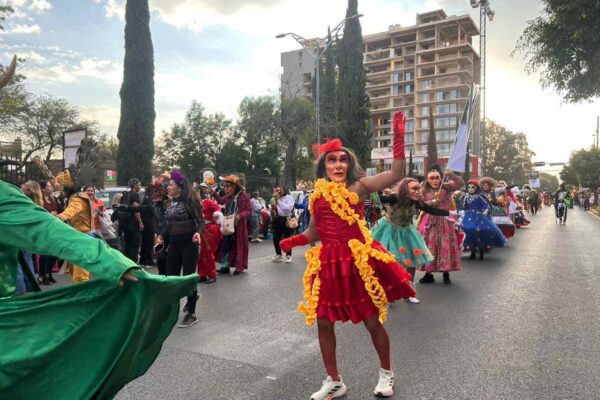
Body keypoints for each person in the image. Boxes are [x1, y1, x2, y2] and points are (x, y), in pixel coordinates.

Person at [0, 176, 198, 399]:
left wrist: (111, 262)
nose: (93, 193)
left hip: (86, 246)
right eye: (91, 190)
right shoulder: (75, 200)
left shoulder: (5, 197)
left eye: (94, 191)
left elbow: (47, 229)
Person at [279, 111, 416, 399]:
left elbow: (395, 174)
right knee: (323, 321)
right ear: (324, 166)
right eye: (332, 160)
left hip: (357, 263)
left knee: (371, 320)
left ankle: (386, 373)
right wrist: (292, 240)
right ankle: (334, 380)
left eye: (343, 160)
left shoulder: (360, 186)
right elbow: (315, 232)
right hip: (329, 264)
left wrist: (399, 138)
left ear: (350, 164)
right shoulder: (317, 195)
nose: (338, 164)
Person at [373, 177, 453, 304]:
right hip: (389, 232)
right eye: (414, 189)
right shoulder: (395, 198)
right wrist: (372, 188)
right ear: (405, 190)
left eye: (418, 189)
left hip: (407, 232)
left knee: (411, 262)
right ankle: (388, 291)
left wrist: (450, 214)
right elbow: (378, 199)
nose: (417, 192)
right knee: (389, 263)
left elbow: (431, 210)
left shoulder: (416, 202)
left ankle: (409, 292)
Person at [156, 170, 204, 328]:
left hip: (189, 243)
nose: (168, 188)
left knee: (188, 278)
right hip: (174, 245)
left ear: (179, 186)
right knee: (172, 279)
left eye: (171, 185)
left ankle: (191, 313)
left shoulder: (190, 201)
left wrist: (198, 233)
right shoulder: (169, 203)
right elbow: (169, 225)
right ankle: (170, 311)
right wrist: (161, 236)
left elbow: (201, 222)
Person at [417, 165, 464, 284]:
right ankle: (429, 274)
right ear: (427, 180)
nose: (434, 180)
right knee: (430, 247)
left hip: (445, 221)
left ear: (440, 178)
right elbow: (419, 204)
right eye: (431, 178)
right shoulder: (423, 190)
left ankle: (446, 273)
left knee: (445, 246)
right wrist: (431, 202)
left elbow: (461, 183)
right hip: (430, 222)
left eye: (437, 178)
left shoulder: (446, 187)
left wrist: (451, 174)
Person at [213, 175, 251, 275]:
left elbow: (248, 210)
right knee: (225, 245)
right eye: (225, 187)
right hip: (228, 224)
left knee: (238, 246)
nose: (226, 189)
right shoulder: (227, 197)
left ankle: (239, 267)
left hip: (239, 226)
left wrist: (240, 215)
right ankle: (225, 266)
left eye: (228, 186)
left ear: (234, 186)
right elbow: (221, 201)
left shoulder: (243, 196)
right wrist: (213, 193)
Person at [57, 186, 95, 282]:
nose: (91, 192)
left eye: (92, 191)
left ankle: (82, 286)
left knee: (80, 265)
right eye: (89, 190)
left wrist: (62, 216)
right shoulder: (82, 199)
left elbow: (72, 210)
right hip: (83, 234)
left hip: (81, 235)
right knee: (79, 264)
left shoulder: (77, 199)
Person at [461, 180, 506, 260]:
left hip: (478, 217)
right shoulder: (466, 197)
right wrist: (463, 211)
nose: (470, 189)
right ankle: (473, 251)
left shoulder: (480, 196)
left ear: (476, 188)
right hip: (469, 217)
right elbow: (464, 207)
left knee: (479, 233)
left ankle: (481, 251)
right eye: (469, 187)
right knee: (468, 232)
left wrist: (485, 211)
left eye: (472, 187)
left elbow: (487, 205)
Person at [38, 180, 63, 285]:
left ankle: (49, 273)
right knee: (45, 253)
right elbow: (39, 213)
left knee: (55, 253)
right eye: (49, 186)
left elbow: (61, 211)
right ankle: (42, 275)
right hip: (45, 229)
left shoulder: (54, 199)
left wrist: (57, 214)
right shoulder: (39, 200)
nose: (51, 187)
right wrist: (50, 214)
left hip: (55, 228)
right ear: (43, 189)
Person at [198, 183, 222, 284]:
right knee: (201, 254)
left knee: (208, 253)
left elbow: (218, 209)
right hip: (201, 230)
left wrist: (216, 215)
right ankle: (202, 274)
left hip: (210, 229)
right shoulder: (195, 204)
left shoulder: (207, 201)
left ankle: (212, 275)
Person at [271, 186, 295, 263]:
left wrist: (279, 202)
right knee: (276, 237)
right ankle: (278, 254)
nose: (279, 191)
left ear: (284, 190)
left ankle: (288, 255)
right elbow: (275, 208)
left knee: (287, 238)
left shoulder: (289, 197)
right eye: (277, 190)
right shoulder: (276, 198)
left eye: (280, 189)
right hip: (278, 218)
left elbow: (287, 209)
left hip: (287, 219)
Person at [122, 178, 143, 262]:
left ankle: (126, 262)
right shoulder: (135, 195)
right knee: (135, 243)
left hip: (125, 222)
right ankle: (133, 262)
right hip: (133, 222)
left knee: (128, 243)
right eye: (139, 184)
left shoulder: (126, 194)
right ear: (135, 185)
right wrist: (140, 221)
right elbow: (136, 209)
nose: (140, 186)